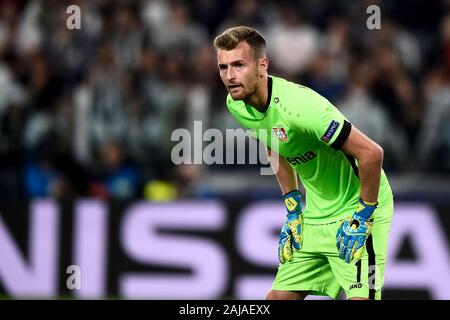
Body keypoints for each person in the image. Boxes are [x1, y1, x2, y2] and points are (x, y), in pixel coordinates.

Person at [213, 26, 394, 300]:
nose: (230, 76)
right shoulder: (236, 104)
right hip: (317, 211)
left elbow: (371, 153)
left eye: (239, 65)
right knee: (277, 298)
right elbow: (273, 141)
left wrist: (363, 216)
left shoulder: (302, 108)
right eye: (223, 67)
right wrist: (293, 208)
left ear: (262, 65)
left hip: (356, 206)